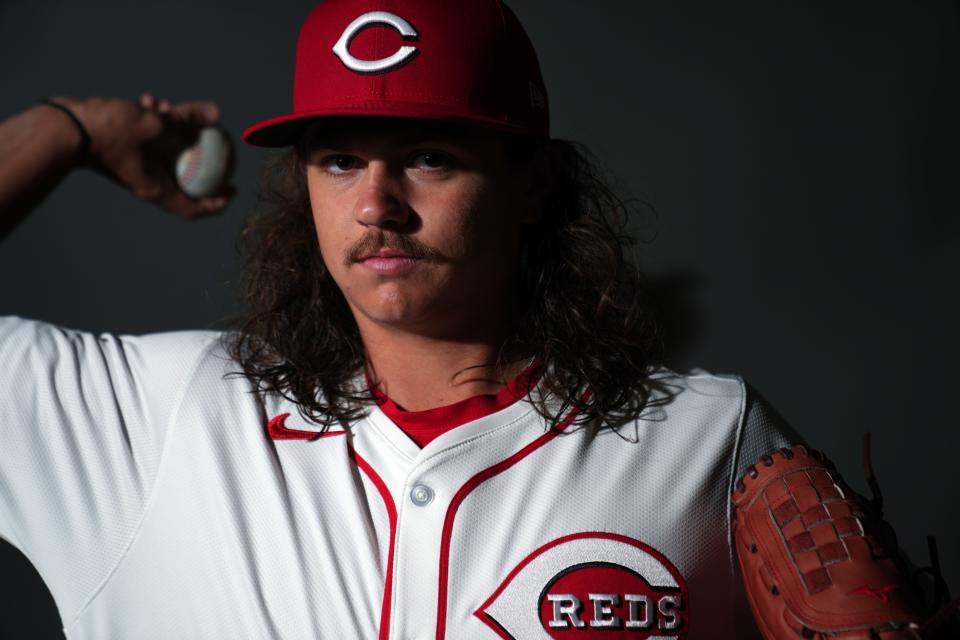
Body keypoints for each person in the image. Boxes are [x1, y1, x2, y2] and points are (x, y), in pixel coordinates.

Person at [0, 1, 950, 638]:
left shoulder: (706, 438)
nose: (375, 203)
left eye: (426, 156)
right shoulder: (156, 417)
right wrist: (68, 128)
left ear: (533, 183)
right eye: (338, 161)